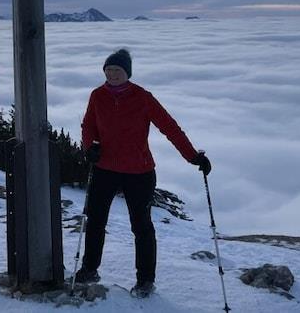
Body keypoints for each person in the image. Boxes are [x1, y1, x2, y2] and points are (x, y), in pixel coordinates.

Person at [74, 48, 211, 298]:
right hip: (104, 168)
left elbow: (169, 127)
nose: (112, 74)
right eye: (108, 70)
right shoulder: (97, 95)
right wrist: (88, 147)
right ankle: (89, 269)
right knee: (95, 222)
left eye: (117, 70)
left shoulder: (143, 98)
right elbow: (88, 125)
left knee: (141, 227)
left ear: (128, 73)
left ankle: (145, 280)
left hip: (139, 171)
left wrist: (193, 156)